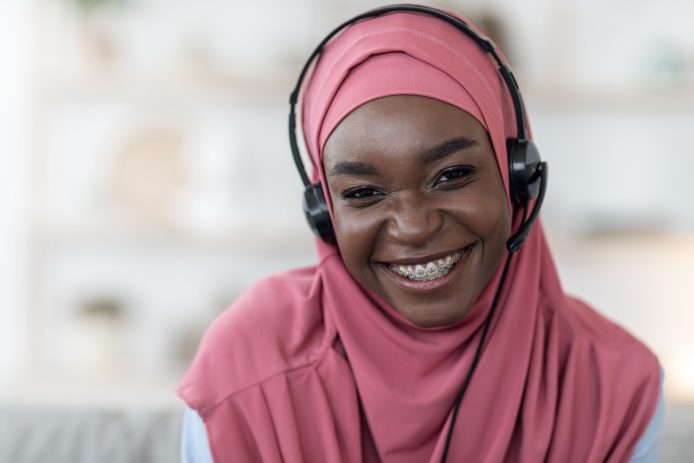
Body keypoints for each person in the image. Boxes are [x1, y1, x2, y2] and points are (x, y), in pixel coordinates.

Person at [178, 6, 663, 462]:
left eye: (451, 176)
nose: (413, 227)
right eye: (364, 192)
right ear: (324, 212)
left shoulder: (615, 388)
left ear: (518, 178)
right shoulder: (244, 377)